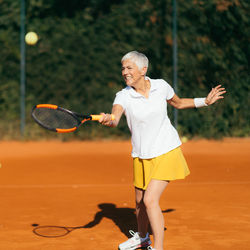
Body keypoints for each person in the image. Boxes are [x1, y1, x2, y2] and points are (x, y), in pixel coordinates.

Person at [99, 51, 226, 250]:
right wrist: (109, 119)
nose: (124, 72)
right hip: (142, 155)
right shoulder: (123, 95)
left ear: (143, 70)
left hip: (167, 150)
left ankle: (158, 248)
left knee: (150, 200)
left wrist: (206, 101)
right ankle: (142, 237)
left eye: (129, 67)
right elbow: (115, 118)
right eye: (123, 68)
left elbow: (178, 102)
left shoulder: (161, 86)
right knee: (140, 202)